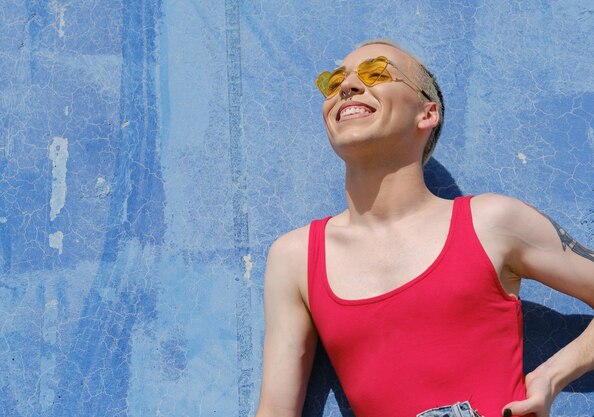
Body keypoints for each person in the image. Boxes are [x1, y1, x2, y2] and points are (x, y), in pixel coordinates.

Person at [254, 40, 594, 417]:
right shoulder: (295, 258)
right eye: (333, 82)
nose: (346, 86)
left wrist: (551, 376)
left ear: (426, 113)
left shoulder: (492, 223)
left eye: (375, 72)